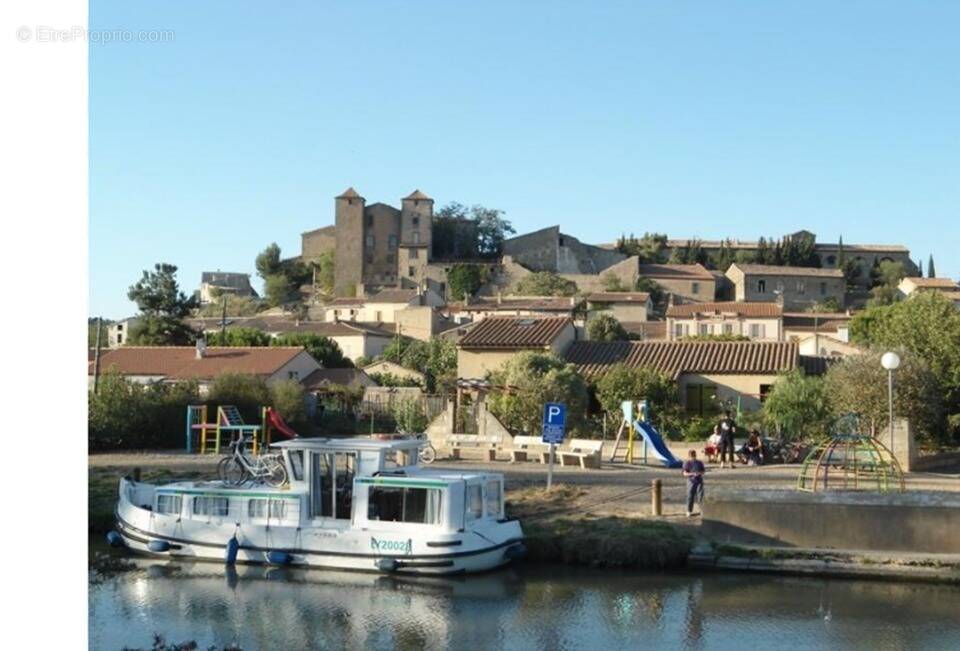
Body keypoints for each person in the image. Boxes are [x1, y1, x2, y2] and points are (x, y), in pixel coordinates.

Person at [682, 450, 706, 517]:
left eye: (694, 455)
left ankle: (702, 510)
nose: (693, 457)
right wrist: (692, 474)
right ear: (689, 456)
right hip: (691, 481)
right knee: (690, 496)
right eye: (691, 456)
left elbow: (703, 471)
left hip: (699, 481)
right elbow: (684, 473)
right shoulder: (687, 463)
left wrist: (699, 473)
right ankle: (689, 510)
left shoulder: (699, 462)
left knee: (700, 496)